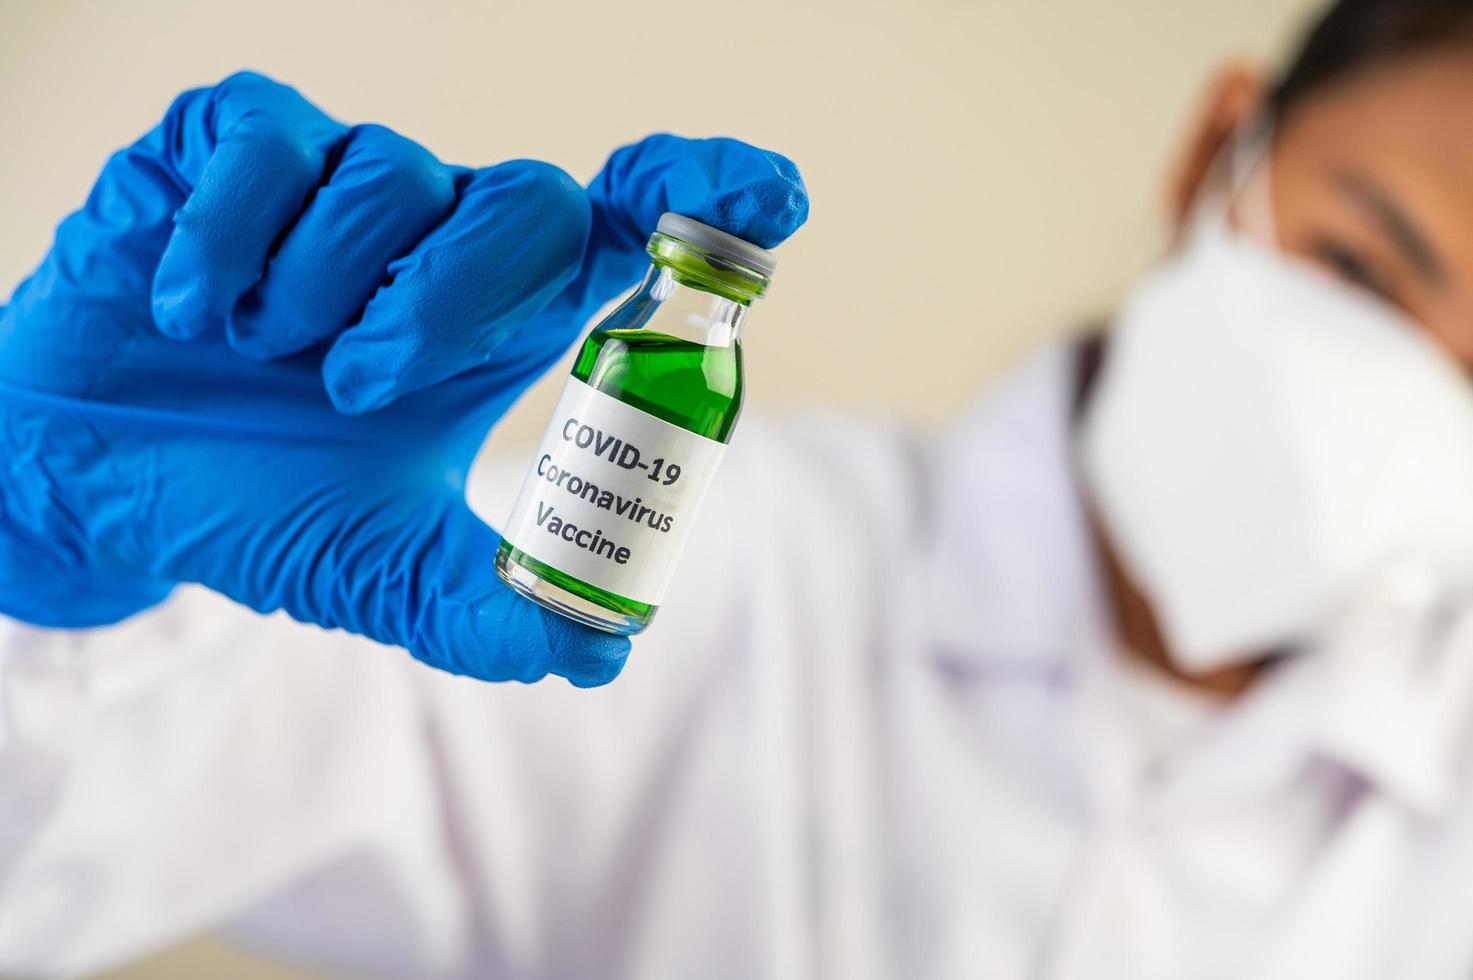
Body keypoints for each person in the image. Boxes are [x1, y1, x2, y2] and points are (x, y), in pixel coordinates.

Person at [6, 0, 1473, 976]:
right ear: (1222, 148)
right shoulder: (731, 560)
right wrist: (38, 565)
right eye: (1355, 270)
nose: (1403, 402)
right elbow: (66, 860)